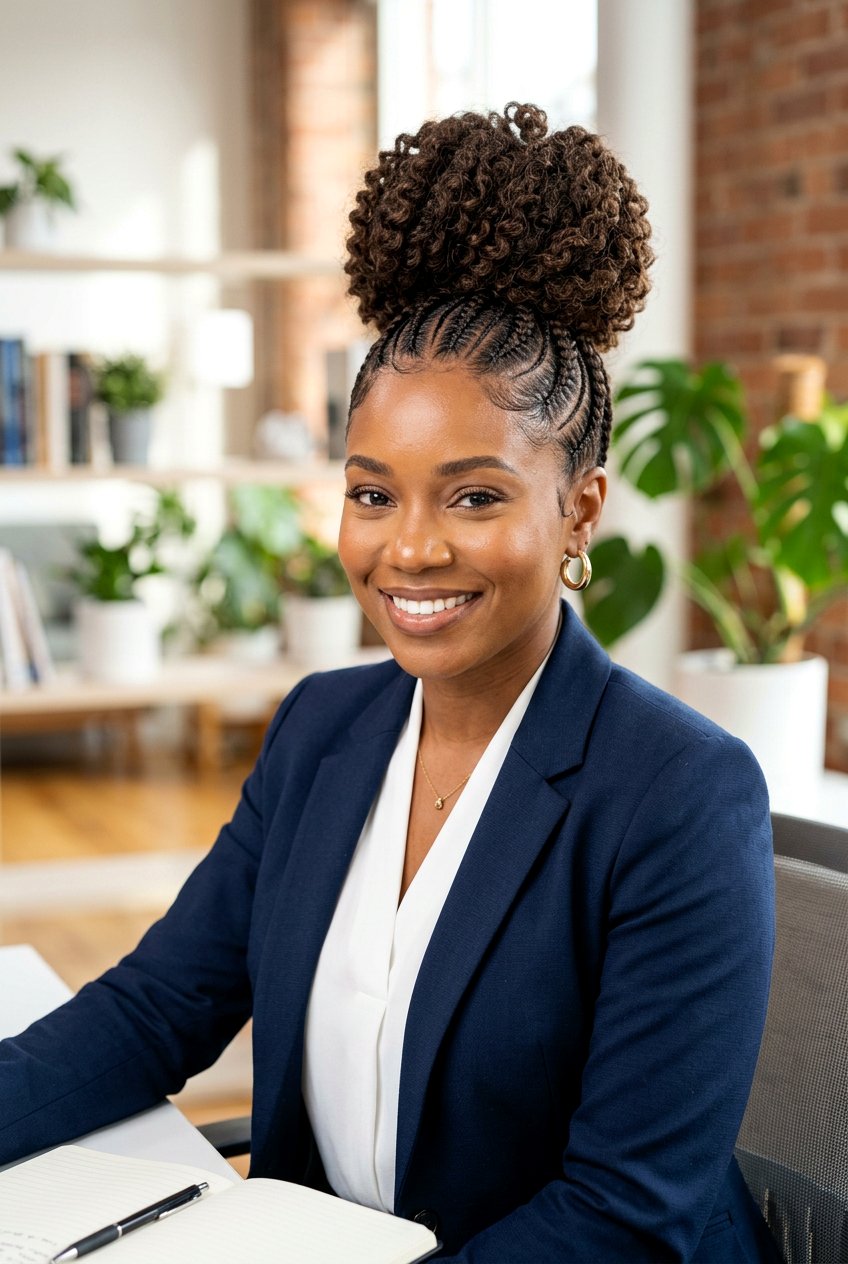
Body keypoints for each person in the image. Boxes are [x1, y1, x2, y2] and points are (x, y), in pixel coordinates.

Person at [0, 104, 779, 1262]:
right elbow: (156, 1008)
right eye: (372, 492)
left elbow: (622, 1214)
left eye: (472, 496)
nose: (406, 549)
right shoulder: (323, 727)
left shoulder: (675, 793)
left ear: (578, 510)